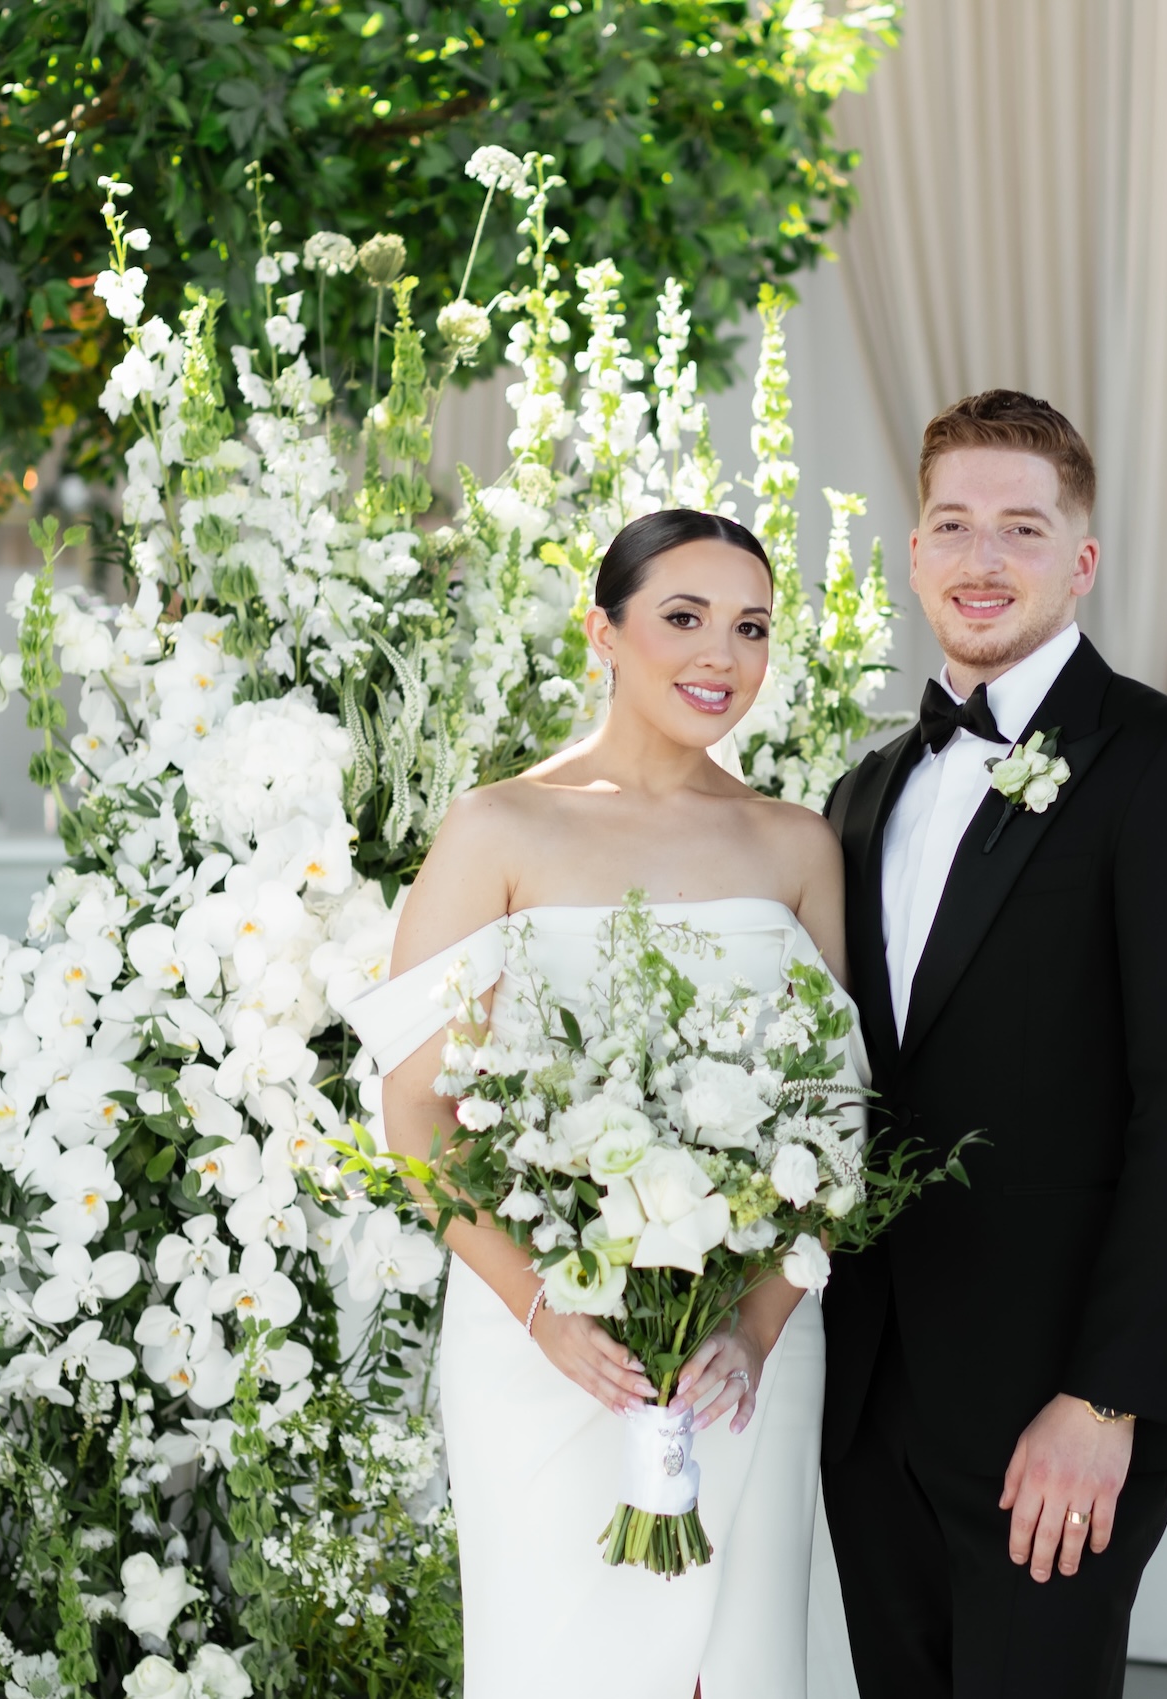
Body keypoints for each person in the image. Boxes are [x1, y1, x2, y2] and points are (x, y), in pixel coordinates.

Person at [345, 508, 862, 1699]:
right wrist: (544, 1313)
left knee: (733, 1667)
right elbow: (415, 1112)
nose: (719, 657)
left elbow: (834, 1130)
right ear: (602, 632)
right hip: (541, 1343)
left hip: (744, 1353)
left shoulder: (795, 845)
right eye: (682, 618)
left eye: (749, 627)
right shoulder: (499, 826)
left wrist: (754, 1327)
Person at [820, 390, 1167, 1699]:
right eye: (954, 525)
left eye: (1021, 528)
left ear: (1080, 561)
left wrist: (1107, 1396)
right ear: (912, 551)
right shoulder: (863, 794)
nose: (982, 561)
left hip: (1059, 1402)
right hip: (870, 1401)